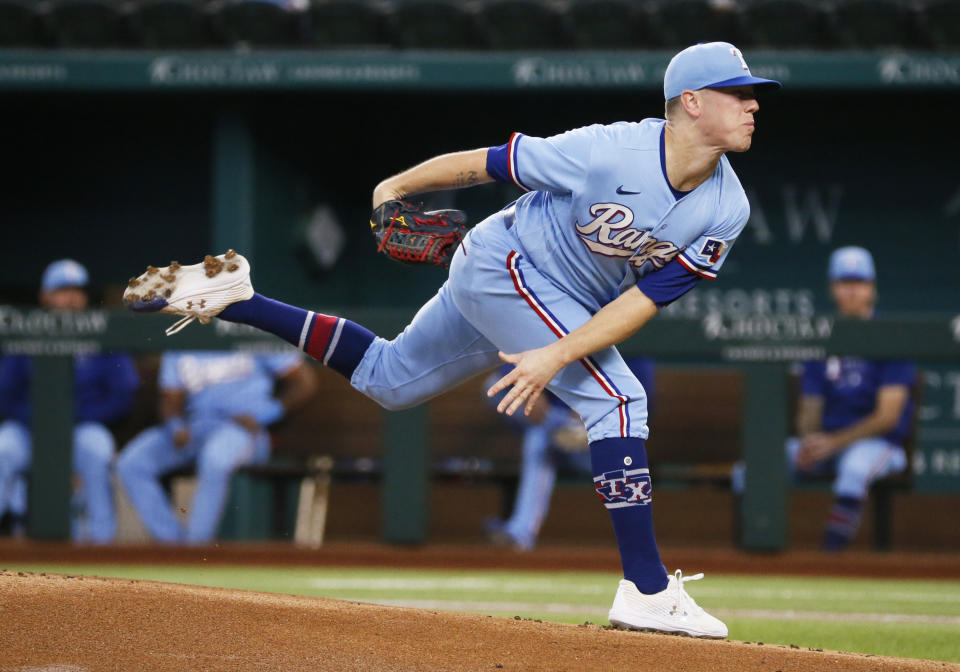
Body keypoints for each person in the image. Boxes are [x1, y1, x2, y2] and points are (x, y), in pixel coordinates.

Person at [124, 42, 779, 637]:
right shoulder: (610, 149)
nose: (753, 104)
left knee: (388, 381)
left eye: (754, 94)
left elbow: (644, 299)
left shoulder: (728, 207)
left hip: (545, 305)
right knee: (620, 401)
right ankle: (646, 588)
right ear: (690, 103)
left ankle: (238, 297)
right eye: (739, 92)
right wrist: (396, 187)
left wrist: (556, 352)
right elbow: (488, 163)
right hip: (506, 263)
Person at [734, 246, 914, 551]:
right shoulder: (824, 336)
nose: (852, 291)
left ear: (871, 288)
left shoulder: (890, 336)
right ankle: (747, 558)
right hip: (828, 442)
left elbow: (887, 416)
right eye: (845, 283)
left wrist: (833, 442)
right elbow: (810, 407)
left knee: (855, 469)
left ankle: (831, 561)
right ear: (834, 288)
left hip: (880, 445)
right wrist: (809, 440)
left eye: (859, 283)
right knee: (751, 469)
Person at [0, 259, 139, 543]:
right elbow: (4, 392)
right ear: (45, 296)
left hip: (83, 426)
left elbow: (122, 396)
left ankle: (102, 545)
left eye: (77, 290)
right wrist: (41, 417)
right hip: (29, 429)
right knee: (4, 449)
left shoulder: (103, 331)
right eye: (62, 290)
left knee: (97, 449)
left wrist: (70, 416)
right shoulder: (27, 332)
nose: (71, 297)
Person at [115, 350, 317, 544]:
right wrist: (175, 426)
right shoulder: (183, 335)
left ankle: (196, 548)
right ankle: (171, 544)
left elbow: (304, 382)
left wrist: (267, 413)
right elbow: (170, 398)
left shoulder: (248, 329)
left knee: (215, 459)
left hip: (242, 430)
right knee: (131, 463)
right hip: (197, 425)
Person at [484, 358, 654, 552]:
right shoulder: (560, 339)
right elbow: (505, 372)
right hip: (556, 428)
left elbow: (642, 406)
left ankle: (638, 544)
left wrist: (589, 419)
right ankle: (519, 535)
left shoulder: (631, 352)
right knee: (538, 436)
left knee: (541, 437)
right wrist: (529, 390)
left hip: (602, 443)